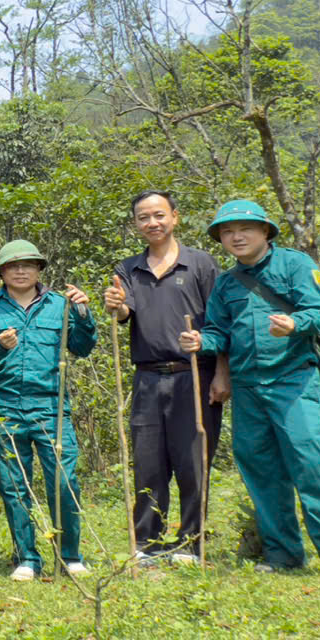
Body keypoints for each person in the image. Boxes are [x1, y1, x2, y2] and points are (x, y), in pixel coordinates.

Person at [179, 200, 320, 582]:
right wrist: (202, 341)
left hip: (293, 380)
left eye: (245, 228)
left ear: (265, 232)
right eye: (228, 232)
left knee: (310, 464)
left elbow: (319, 311)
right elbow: (219, 331)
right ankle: (283, 553)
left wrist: (294, 324)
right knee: (262, 471)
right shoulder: (226, 284)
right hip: (248, 388)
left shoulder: (295, 265)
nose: (236, 236)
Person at [103, 192, 230, 565]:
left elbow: (221, 323)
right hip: (147, 379)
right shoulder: (129, 268)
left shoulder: (201, 265)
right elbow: (127, 314)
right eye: (144, 217)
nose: (152, 223)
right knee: (148, 464)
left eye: (159, 215)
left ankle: (191, 543)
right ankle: (148, 545)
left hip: (194, 375)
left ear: (175, 216)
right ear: (136, 224)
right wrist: (118, 306)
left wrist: (222, 374)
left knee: (194, 463)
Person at [0, 240, 99, 580]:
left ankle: (70, 556)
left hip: (52, 407)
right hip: (6, 407)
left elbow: (82, 348)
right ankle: (27, 558)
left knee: (64, 480)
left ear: (39, 268)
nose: (21, 270)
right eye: (13, 266)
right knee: (14, 486)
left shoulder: (60, 305)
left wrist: (84, 313)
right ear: (2, 272)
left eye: (28, 264)